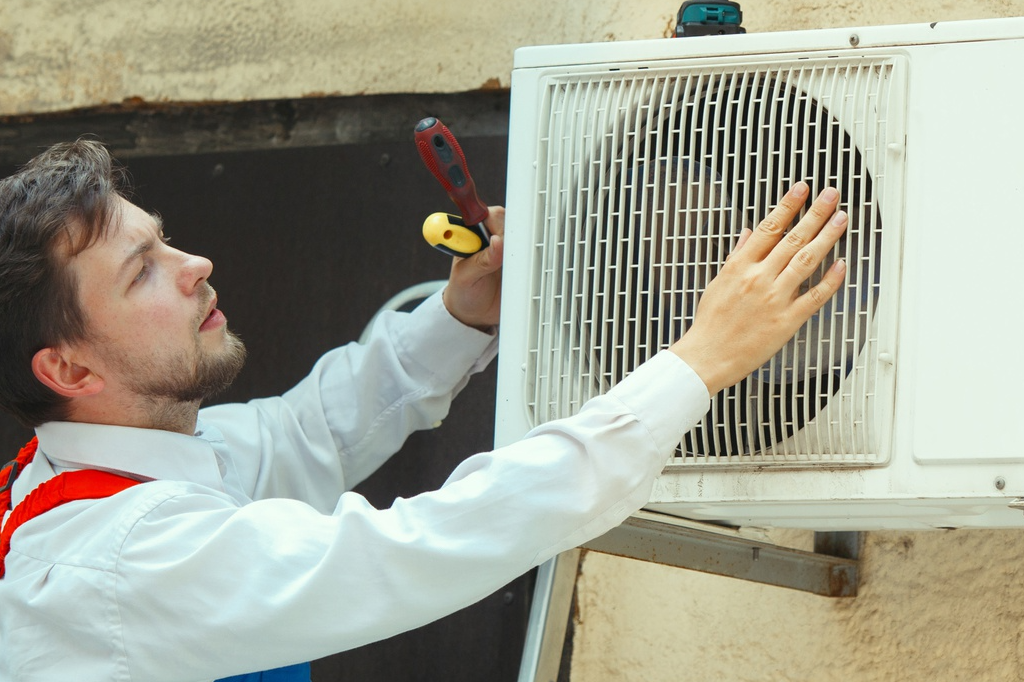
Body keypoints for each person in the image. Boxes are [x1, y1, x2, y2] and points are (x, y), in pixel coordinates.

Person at [0, 139, 848, 681]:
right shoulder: (122, 560)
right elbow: (422, 547)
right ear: (68, 367)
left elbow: (306, 431)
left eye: (164, 238)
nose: (194, 263)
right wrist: (699, 362)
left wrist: (461, 315)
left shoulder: (110, 465)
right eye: (142, 270)